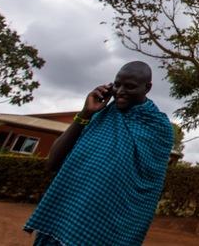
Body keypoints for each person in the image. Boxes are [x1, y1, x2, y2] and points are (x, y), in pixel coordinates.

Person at [24, 61, 173, 245]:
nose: (119, 92)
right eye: (117, 84)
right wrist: (85, 113)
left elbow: (148, 187)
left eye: (130, 87)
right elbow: (52, 162)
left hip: (110, 227)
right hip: (65, 219)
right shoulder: (99, 116)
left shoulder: (157, 127)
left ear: (147, 88)